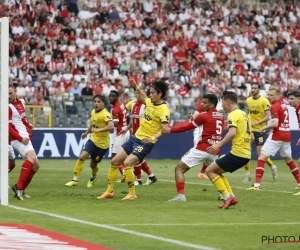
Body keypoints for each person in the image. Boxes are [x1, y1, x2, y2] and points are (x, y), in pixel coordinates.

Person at [97, 78, 170, 200]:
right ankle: (109, 192)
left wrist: (152, 138)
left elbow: (165, 129)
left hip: (145, 142)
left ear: (160, 94)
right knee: (115, 161)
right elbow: (142, 96)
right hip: (134, 137)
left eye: (153, 93)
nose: (150, 95)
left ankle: (132, 194)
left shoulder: (164, 110)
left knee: (127, 163)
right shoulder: (150, 102)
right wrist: (136, 86)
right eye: (150, 93)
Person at [162, 94, 224, 201]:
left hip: (202, 149)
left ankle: (181, 196)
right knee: (216, 172)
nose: (202, 105)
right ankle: (222, 193)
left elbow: (187, 127)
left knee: (179, 169)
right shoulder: (221, 116)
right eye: (202, 102)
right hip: (214, 150)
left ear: (212, 104)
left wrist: (170, 130)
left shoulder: (204, 116)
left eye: (205, 103)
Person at [206, 91, 252, 209]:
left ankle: (227, 198)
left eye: (223, 104)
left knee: (209, 170)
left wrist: (218, 145)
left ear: (228, 102)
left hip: (238, 153)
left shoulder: (233, 114)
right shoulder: (245, 115)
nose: (222, 107)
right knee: (217, 171)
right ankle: (232, 197)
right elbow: (252, 137)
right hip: (246, 154)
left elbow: (232, 133)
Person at [247, 89, 300, 191]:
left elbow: (275, 123)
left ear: (277, 96)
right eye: (268, 95)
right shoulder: (283, 105)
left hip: (277, 136)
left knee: (261, 158)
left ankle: (256, 185)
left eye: (271, 95)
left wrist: (263, 128)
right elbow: (280, 122)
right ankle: (299, 182)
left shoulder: (274, 106)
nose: (268, 97)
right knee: (289, 160)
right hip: (286, 135)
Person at [65, 95, 114, 187]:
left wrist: (98, 130)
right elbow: (93, 123)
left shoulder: (105, 114)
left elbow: (111, 126)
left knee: (93, 164)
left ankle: (93, 176)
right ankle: (75, 180)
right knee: (82, 157)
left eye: (99, 102)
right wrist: (87, 133)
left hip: (102, 145)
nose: (96, 103)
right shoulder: (93, 112)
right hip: (92, 140)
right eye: (95, 101)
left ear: (103, 103)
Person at [120, 89, 158, 186]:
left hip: (143, 135)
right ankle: (151, 176)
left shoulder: (147, 106)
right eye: (136, 94)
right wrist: (127, 127)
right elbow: (133, 119)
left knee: (135, 156)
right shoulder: (132, 104)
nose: (138, 95)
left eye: (139, 94)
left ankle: (139, 179)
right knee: (138, 157)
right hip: (135, 134)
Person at [9, 84, 39, 200]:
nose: (9, 96)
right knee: (31, 158)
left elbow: (22, 119)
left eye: (10, 93)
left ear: (15, 92)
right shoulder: (8, 107)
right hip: (18, 138)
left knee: (36, 166)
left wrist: (28, 124)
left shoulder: (21, 102)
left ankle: (22, 190)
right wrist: (20, 138)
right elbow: (9, 127)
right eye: (7, 94)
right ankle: (18, 187)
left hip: (25, 137)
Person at [243, 82, 277, 182]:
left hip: (260, 129)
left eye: (255, 88)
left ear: (259, 90)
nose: (253, 90)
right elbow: (248, 113)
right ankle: (247, 174)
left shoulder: (264, 101)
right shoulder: (248, 100)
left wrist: (257, 122)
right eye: (252, 88)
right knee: (246, 151)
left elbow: (268, 116)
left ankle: (272, 166)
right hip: (250, 129)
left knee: (259, 154)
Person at [108, 90, 130, 175]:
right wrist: (127, 127)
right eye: (110, 96)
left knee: (114, 158)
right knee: (123, 156)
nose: (111, 98)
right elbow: (128, 117)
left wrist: (106, 123)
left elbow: (115, 123)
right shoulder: (121, 105)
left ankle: (125, 174)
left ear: (117, 97)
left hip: (119, 134)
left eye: (113, 96)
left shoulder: (115, 108)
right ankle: (126, 173)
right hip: (125, 132)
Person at [288, 91, 300, 195]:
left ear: (298, 99)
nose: (289, 101)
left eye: (292, 99)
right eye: (289, 99)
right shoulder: (297, 110)